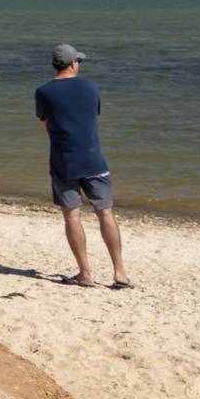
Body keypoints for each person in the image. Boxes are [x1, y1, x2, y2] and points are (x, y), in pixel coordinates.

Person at [35, 43, 132, 290]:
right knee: (106, 213)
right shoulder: (90, 87)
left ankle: (85, 273)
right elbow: (91, 118)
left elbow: (45, 125)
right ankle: (120, 273)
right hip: (93, 160)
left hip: (64, 161)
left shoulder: (43, 92)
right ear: (73, 63)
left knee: (72, 215)